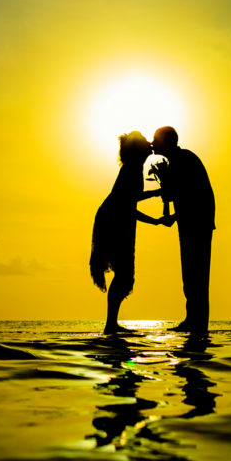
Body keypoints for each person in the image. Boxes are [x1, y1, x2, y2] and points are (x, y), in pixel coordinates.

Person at [90, 131, 165, 334]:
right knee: (123, 274)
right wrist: (156, 220)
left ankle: (111, 324)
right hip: (114, 220)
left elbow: (131, 199)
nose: (150, 145)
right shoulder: (132, 169)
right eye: (146, 144)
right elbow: (128, 204)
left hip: (116, 218)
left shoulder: (133, 168)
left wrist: (157, 198)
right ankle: (111, 324)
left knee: (123, 274)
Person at [151, 126, 215, 335]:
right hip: (190, 222)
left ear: (167, 142)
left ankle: (198, 325)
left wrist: (173, 213)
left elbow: (192, 195)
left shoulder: (184, 160)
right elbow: (178, 194)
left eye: (156, 140)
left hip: (197, 224)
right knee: (190, 274)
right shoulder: (177, 161)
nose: (152, 144)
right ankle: (193, 321)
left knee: (197, 275)